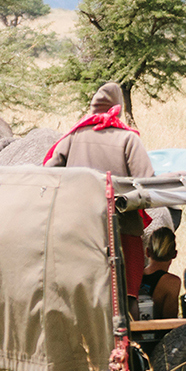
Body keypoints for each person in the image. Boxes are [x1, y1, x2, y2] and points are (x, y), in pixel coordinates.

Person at [44, 82, 153, 311]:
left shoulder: (74, 135)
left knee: (79, 294)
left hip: (79, 227)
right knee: (128, 296)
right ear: (118, 107)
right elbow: (146, 181)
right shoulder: (128, 139)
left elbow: (49, 170)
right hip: (123, 228)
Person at [141, 225, 182, 320]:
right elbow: (170, 321)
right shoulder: (172, 282)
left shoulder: (135, 276)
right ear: (175, 254)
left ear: (147, 252)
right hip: (154, 329)